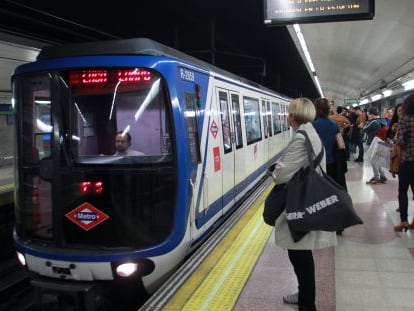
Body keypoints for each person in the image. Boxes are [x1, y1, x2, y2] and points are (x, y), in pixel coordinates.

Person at [270, 97, 337, 311]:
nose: (288, 116)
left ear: (292, 116)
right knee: (301, 253)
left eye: (289, 113)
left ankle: (307, 303)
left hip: (302, 201)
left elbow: (282, 176)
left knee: (300, 255)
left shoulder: (301, 137)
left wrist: (276, 169)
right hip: (307, 197)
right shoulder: (311, 132)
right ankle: (303, 294)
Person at [314, 98, 347, 191]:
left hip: (318, 165)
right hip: (332, 163)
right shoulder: (333, 124)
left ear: (316, 109)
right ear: (328, 110)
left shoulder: (313, 125)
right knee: (332, 189)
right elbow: (341, 145)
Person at [393, 93, 414, 232]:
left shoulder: (405, 119)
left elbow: (400, 141)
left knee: (402, 191)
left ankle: (404, 221)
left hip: (407, 161)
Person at [364, 108, 389, 184]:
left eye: (368, 114)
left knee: (373, 160)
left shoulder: (374, 122)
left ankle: (376, 177)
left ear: (372, 115)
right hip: (382, 142)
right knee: (376, 160)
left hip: (375, 142)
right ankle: (382, 176)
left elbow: (365, 129)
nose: (368, 116)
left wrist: (368, 122)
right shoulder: (383, 121)